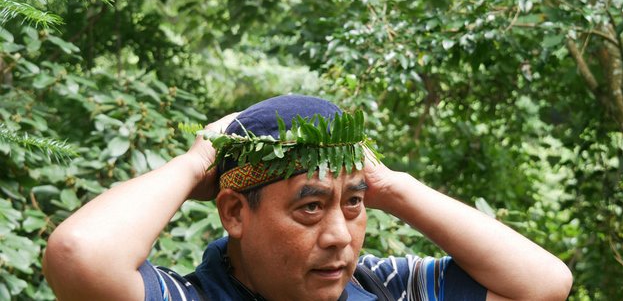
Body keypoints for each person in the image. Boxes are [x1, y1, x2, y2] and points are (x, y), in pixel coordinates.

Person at [43, 94, 572, 301]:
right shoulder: (191, 298)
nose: (341, 236)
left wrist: (390, 185)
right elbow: (79, 254)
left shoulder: (385, 287)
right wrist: (196, 163)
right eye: (310, 207)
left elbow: (544, 285)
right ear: (234, 213)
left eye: (354, 204)